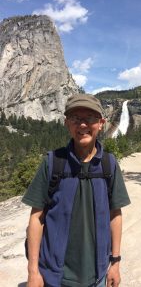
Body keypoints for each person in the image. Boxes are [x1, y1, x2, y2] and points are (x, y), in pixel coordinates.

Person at [22, 94, 131, 287]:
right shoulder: (53, 162)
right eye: (75, 118)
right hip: (54, 277)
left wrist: (115, 262)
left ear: (101, 123)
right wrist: (33, 272)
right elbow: (36, 217)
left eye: (89, 118)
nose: (82, 125)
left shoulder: (109, 164)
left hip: (98, 275)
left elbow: (116, 214)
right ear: (66, 123)